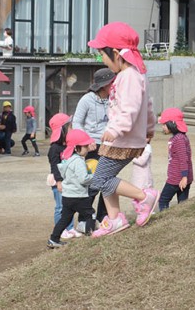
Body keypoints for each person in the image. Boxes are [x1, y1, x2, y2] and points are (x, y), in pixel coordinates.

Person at [87, 22, 158, 237]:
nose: (102, 59)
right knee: (104, 177)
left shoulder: (129, 77)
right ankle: (115, 218)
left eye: (102, 54)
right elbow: (148, 106)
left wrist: (116, 129)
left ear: (116, 53)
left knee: (100, 179)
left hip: (123, 139)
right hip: (123, 138)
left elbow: (130, 108)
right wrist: (149, 128)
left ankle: (143, 197)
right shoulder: (133, 75)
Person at [72, 67, 114, 228]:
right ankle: (85, 218)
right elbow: (77, 122)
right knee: (93, 183)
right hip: (92, 146)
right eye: (112, 83)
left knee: (109, 182)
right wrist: (86, 139)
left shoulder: (113, 99)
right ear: (104, 85)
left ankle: (104, 216)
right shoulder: (86, 100)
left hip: (110, 145)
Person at [47, 129, 96, 248]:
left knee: (65, 218)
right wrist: (95, 176)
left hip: (67, 196)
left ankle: (53, 239)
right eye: (85, 146)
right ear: (76, 148)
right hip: (78, 196)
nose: (87, 148)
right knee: (91, 214)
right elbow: (83, 179)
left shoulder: (67, 160)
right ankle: (91, 237)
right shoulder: (78, 162)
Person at [47, 113, 79, 239]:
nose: (71, 128)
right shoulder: (54, 148)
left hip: (68, 180)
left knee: (68, 206)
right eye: (69, 126)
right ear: (62, 130)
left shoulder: (69, 145)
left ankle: (70, 228)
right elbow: (55, 166)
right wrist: (59, 181)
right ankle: (60, 230)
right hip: (58, 181)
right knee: (60, 207)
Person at [157, 108, 194, 211]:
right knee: (183, 204)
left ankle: (164, 221)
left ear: (172, 124)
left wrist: (184, 177)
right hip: (182, 177)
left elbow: (183, 159)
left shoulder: (179, 139)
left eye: (164, 124)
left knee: (163, 200)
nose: (162, 127)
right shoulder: (179, 137)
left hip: (177, 178)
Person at [129, 141, 154, 211]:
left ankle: (147, 210)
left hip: (144, 176)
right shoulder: (138, 146)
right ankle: (140, 210)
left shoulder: (147, 147)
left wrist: (131, 157)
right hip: (137, 175)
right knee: (136, 192)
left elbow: (142, 161)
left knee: (144, 192)